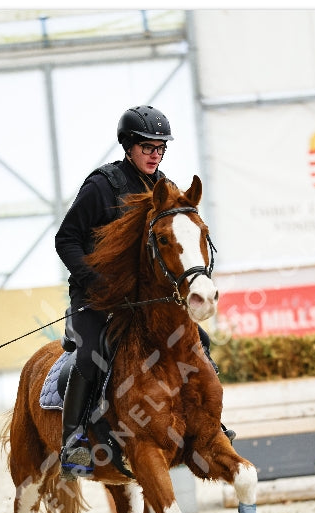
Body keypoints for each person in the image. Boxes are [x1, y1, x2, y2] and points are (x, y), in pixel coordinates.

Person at [55, 105, 233, 480]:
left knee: (198, 342)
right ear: (129, 147)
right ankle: (74, 443)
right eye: (148, 147)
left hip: (139, 303)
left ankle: (208, 428)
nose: (155, 154)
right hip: (96, 298)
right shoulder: (101, 186)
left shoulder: (162, 188)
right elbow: (66, 239)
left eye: (160, 148)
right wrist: (94, 280)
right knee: (92, 354)